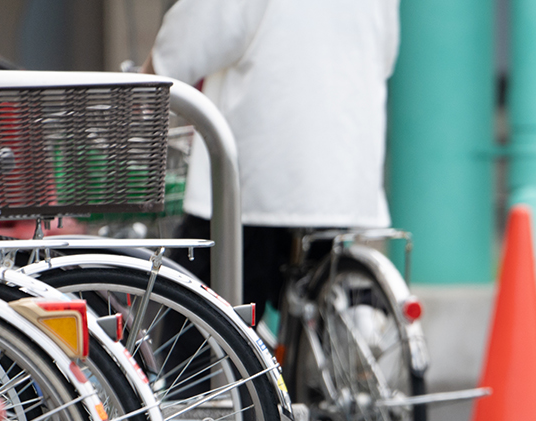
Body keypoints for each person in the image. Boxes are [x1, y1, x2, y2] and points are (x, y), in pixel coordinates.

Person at [145, 0, 400, 315]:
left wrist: (148, 77)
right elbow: (385, 54)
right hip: (343, 167)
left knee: (198, 319)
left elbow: (198, 29)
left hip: (258, 177)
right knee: (318, 304)